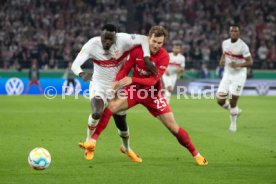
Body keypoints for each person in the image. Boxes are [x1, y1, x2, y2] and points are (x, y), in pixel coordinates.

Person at [79, 26, 208, 166]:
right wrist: (117, 81)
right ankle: (93, 141)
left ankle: (196, 154)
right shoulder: (137, 51)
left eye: (160, 43)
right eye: (154, 41)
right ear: (149, 38)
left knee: (173, 127)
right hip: (134, 91)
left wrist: (132, 79)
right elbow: (125, 69)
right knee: (111, 107)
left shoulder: (164, 56)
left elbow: (152, 81)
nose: (156, 45)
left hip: (152, 94)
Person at [71, 24, 156, 162]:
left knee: (120, 121)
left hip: (118, 86)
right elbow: (75, 64)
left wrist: (146, 57)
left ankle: (126, 148)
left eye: (111, 39)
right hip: (99, 85)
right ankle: (89, 144)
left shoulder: (123, 40)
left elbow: (144, 39)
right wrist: (81, 73)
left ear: (115, 37)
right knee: (96, 113)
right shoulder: (92, 44)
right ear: (101, 35)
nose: (107, 42)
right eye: (105, 38)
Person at [216, 25, 253, 132]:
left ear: (239, 33)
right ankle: (236, 111)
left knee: (233, 101)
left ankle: (233, 124)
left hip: (239, 76)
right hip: (227, 74)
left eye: (236, 31)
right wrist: (222, 61)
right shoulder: (225, 43)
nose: (234, 33)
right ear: (229, 32)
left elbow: (250, 61)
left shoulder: (243, 46)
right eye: (232, 31)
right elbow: (224, 54)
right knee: (220, 100)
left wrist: (237, 65)